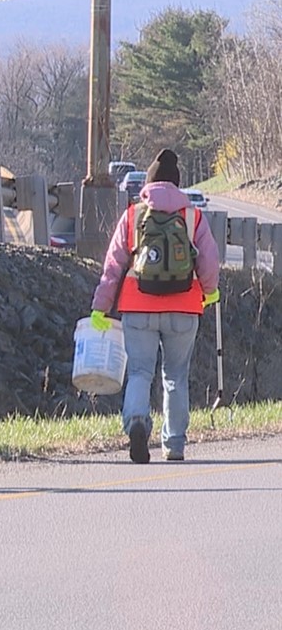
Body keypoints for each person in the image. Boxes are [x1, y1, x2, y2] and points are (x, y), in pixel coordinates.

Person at [88, 148, 220, 463]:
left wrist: (100, 306)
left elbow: (113, 265)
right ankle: (174, 445)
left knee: (139, 372)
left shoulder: (134, 215)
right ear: (177, 185)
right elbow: (210, 261)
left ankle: (136, 422)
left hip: (138, 305)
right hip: (184, 306)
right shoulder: (192, 216)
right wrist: (210, 292)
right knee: (175, 375)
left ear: (148, 183)